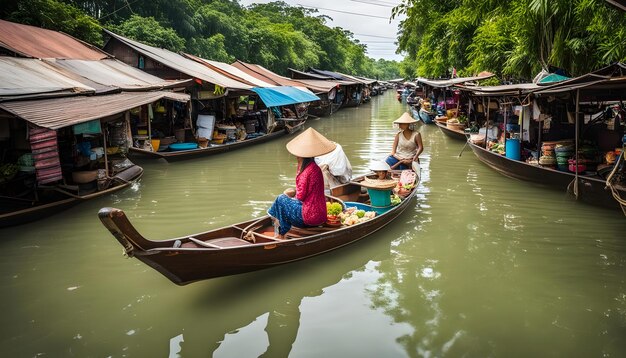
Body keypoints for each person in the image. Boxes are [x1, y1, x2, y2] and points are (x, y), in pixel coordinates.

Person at [268, 128, 336, 239]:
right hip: (320, 214)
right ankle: (275, 219)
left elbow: (300, 196)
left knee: (281, 198)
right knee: (282, 201)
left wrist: (288, 193)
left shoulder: (307, 171)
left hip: (310, 216)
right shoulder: (314, 168)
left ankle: (280, 232)